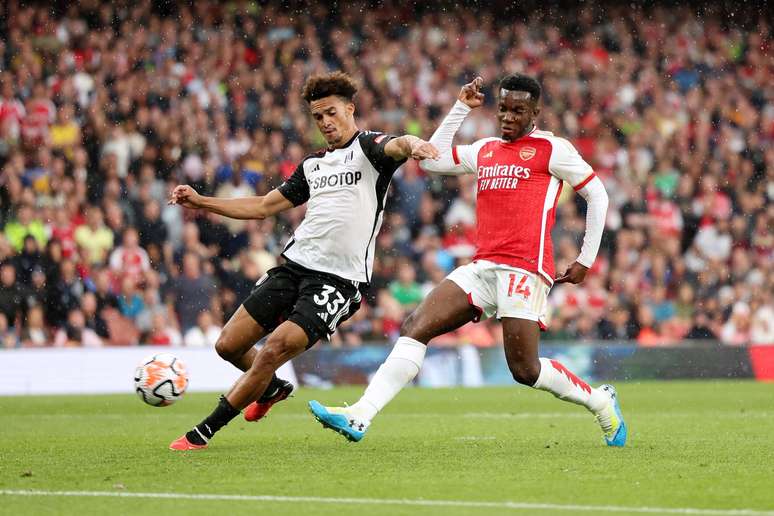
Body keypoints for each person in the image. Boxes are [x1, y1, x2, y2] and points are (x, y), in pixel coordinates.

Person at [310, 74, 627, 447]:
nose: (507, 117)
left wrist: (586, 258)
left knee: (525, 369)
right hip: (483, 266)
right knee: (415, 325)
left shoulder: (552, 149)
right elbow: (432, 160)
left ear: (535, 113)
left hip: (524, 268)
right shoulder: (486, 148)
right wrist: (460, 107)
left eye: (517, 111)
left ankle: (599, 401)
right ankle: (360, 414)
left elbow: (597, 195)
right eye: (503, 109)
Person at [167, 71, 439, 450]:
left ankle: (204, 431)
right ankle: (274, 388)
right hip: (294, 267)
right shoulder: (313, 165)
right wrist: (201, 202)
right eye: (318, 117)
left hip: (337, 281)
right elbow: (263, 206)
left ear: (350, 109)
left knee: (274, 350)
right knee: (228, 345)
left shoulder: (369, 149)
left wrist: (415, 145)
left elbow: (398, 145)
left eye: (331, 113)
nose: (326, 123)